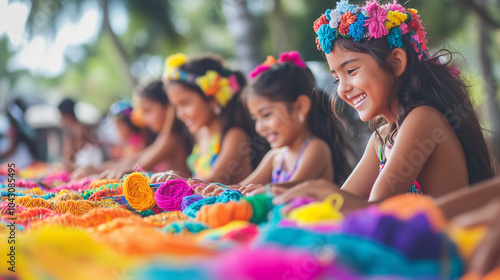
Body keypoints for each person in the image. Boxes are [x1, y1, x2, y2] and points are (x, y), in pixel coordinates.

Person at [272, 0, 494, 210]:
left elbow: (375, 209)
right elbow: (346, 199)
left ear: (396, 62)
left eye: (351, 71)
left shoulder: (423, 119)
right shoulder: (382, 137)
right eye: (337, 79)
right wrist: (278, 193)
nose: (343, 89)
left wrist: (318, 192)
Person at [228, 51, 351, 195]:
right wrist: (215, 189)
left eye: (266, 115)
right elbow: (242, 187)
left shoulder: (316, 148)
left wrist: (262, 190)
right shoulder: (275, 157)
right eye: (255, 119)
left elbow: (295, 188)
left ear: (300, 107)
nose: (259, 128)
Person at [151, 53, 267, 185]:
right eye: (176, 106)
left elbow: (213, 183)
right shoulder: (201, 134)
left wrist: (179, 178)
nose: (179, 114)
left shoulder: (235, 135)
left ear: (212, 99)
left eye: (185, 103)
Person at [72, 80, 192, 180]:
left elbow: (139, 165)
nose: (144, 120)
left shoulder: (172, 139)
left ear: (168, 107)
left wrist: (98, 169)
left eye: (148, 111)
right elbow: (133, 159)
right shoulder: (163, 138)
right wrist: (95, 168)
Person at [57, 98, 103, 171]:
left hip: (90, 165)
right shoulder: (70, 130)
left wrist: (67, 164)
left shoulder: (79, 129)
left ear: (66, 115)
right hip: (83, 165)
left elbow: (73, 155)